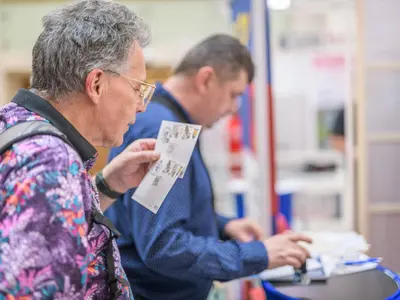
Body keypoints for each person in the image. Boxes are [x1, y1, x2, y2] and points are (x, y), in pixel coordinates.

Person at [105, 34, 313, 300]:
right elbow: (162, 246)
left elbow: (154, 217)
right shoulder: (169, 133)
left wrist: (222, 226)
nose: (233, 108)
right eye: (233, 95)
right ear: (206, 79)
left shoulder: (164, 118)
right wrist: (259, 254)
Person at [0, 0, 160, 298]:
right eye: (138, 88)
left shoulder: (14, 123)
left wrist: (107, 185)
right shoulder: (49, 161)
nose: (140, 106)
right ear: (97, 83)